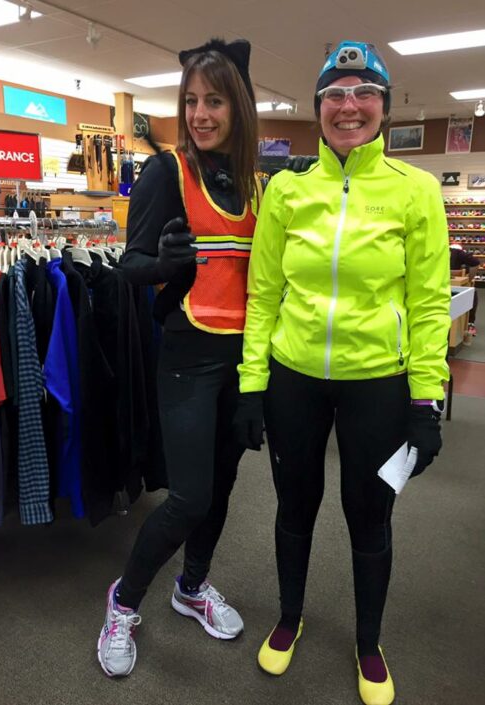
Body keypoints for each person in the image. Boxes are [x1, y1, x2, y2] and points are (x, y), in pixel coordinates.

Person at [234, 41, 451, 705]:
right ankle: (288, 617)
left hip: (377, 383)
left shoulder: (415, 191)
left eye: (363, 93)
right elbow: (263, 294)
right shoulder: (286, 190)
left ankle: (368, 643)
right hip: (293, 379)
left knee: (369, 513)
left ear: (384, 107)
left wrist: (426, 399)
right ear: (318, 106)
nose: (348, 105)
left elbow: (429, 303)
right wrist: (251, 385)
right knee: (294, 504)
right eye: (335, 93)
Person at [97, 37, 261, 678]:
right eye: (191, 100)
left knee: (220, 489)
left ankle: (192, 587)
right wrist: (161, 264)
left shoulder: (257, 184)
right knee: (189, 498)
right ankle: (123, 602)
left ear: (238, 106)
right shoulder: (167, 172)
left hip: (243, 364)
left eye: (214, 100)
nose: (200, 114)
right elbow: (129, 268)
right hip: (188, 360)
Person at [450, 243, 479, 336]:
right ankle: (470, 323)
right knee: (472, 292)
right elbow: (475, 262)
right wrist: (469, 280)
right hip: (454, 286)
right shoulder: (458, 253)